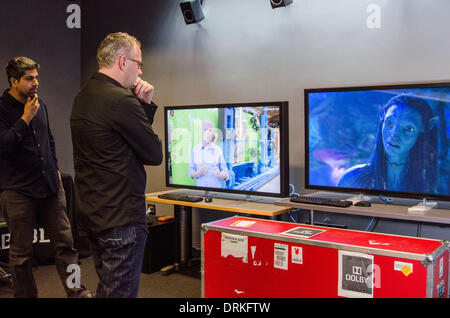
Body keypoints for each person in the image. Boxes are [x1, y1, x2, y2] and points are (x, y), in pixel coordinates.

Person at [70, 32, 162, 298]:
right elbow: (153, 153)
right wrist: (143, 104)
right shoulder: (122, 100)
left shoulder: (84, 96)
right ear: (123, 62)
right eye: (138, 63)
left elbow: (120, 143)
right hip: (121, 219)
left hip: (93, 214)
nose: (141, 70)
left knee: (108, 289)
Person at [0, 57, 92, 298]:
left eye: (36, 77)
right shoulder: (2, 109)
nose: (36, 83)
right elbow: (3, 146)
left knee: (66, 245)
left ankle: (77, 291)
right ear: (13, 81)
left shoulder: (41, 105)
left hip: (50, 187)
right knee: (21, 255)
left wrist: (56, 167)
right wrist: (25, 118)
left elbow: (48, 139)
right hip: (18, 191)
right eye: (29, 78)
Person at [337, 94, 438, 193]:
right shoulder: (351, 180)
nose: (394, 135)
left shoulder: (426, 190)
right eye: (389, 123)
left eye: (408, 129)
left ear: (423, 129)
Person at [189, 119, 230, 188]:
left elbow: (226, 174)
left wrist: (220, 174)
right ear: (201, 132)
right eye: (205, 130)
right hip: (200, 192)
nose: (208, 133)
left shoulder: (218, 150)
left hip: (216, 193)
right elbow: (190, 173)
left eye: (210, 130)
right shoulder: (195, 150)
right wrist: (198, 173)